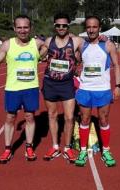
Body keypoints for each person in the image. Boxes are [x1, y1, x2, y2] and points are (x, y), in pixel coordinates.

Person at [0, 15, 45, 164]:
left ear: (30, 28)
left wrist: (43, 54)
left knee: (30, 117)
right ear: (14, 29)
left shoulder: (37, 42)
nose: (22, 30)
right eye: (19, 27)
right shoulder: (7, 44)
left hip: (31, 87)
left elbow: (55, 42)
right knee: (10, 118)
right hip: (12, 88)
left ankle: (29, 146)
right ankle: (8, 148)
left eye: (25, 27)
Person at [74, 16, 120, 167]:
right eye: (88, 27)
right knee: (85, 120)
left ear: (99, 27)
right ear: (86, 28)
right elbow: (64, 40)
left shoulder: (108, 45)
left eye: (94, 27)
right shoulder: (81, 44)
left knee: (104, 120)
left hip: (103, 89)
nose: (91, 30)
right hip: (85, 89)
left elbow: (117, 65)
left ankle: (106, 151)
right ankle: (82, 150)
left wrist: (118, 86)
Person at [41, 13, 86, 163]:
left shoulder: (76, 41)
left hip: (67, 84)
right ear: (54, 26)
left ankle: (67, 148)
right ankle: (55, 146)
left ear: (68, 26)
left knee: (69, 117)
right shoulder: (49, 41)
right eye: (58, 25)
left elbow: (92, 44)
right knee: (52, 115)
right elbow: (38, 54)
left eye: (64, 25)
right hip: (50, 83)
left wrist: (103, 38)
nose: (61, 28)